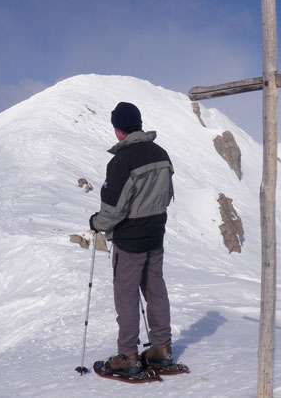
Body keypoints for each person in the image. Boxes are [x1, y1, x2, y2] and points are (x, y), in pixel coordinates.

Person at [89, 101, 175, 375]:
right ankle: (161, 349)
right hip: (155, 234)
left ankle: (128, 355)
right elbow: (168, 195)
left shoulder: (121, 161)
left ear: (118, 130)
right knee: (155, 290)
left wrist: (96, 224)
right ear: (137, 124)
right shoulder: (160, 153)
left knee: (126, 296)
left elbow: (114, 209)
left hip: (130, 239)